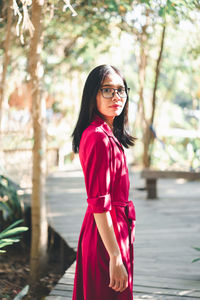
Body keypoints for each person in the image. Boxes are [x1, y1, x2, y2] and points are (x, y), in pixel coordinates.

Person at [71, 64, 136, 300]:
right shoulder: (98, 136)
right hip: (105, 240)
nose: (116, 96)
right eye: (107, 90)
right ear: (92, 95)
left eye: (121, 90)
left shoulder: (106, 133)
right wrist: (115, 257)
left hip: (112, 232)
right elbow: (100, 203)